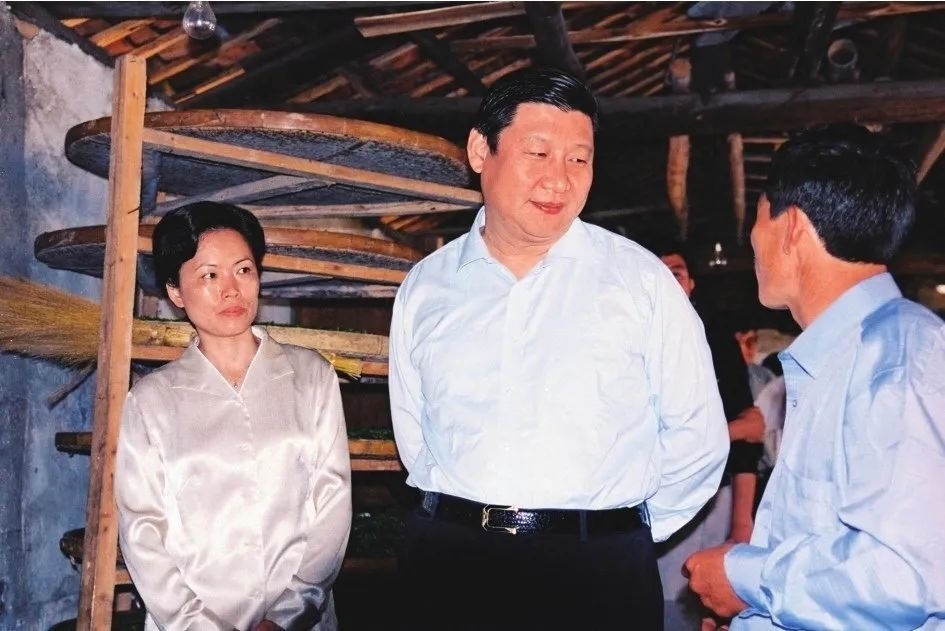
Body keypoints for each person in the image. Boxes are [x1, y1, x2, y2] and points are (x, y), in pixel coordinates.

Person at [388, 66, 729, 630]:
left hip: (597, 573)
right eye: (538, 153)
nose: (560, 180)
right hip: (449, 563)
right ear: (480, 150)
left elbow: (699, 439)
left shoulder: (640, 281)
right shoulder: (427, 286)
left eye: (579, 159)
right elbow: (414, 433)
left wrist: (615, 531)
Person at [685, 125, 945, 629]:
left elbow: (904, 573)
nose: (752, 239)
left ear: (791, 227)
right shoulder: (840, 357)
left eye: (758, 219)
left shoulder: (898, 355)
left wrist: (745, 578)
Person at [115, 202, 352, 631]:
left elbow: (332, 504)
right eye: (209, 275)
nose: (231, 290)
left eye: (243, 270)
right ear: (175, 292)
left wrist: (287, 616)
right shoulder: (151, 402)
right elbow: (142, 531)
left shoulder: (311, 376)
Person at [656, 247, 765, 631]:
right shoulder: (637, 340)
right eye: (660, 272)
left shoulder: (715, 338)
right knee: (664, 609)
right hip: (659, 500)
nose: (669, 279)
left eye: (677, 272)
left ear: (691, 284)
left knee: (710, 613)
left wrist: (741, 524)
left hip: (715, 499)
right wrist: (732, 431)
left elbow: (751, 437)